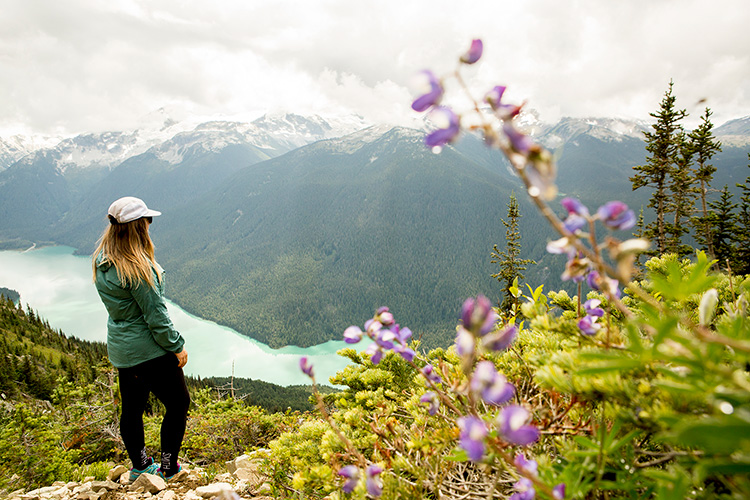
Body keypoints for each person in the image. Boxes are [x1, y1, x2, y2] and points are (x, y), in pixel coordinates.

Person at [92, 196, 190, 482]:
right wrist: (177, 346)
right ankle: (169, 467)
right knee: (178, 403)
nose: (150, 224)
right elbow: (156, 317)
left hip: (123, 350)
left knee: (132, 408)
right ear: (138, 227)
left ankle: (140, 465)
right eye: (148, 220)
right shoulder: (137, 268)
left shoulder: (103, 261)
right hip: (150, 351)